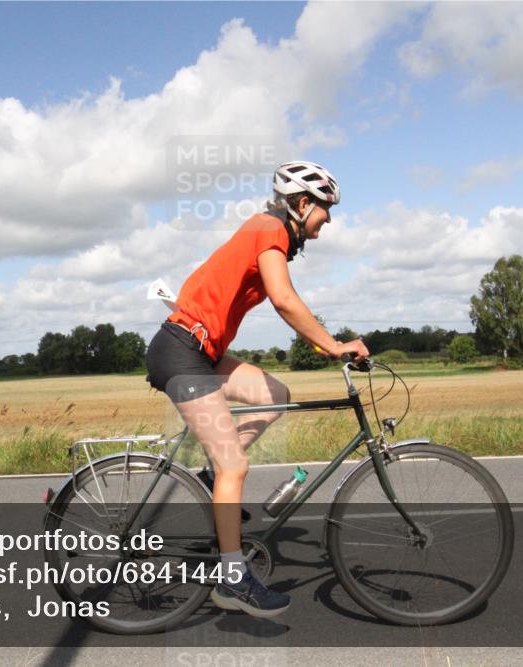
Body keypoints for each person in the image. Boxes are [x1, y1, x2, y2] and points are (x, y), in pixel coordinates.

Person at [145, 161, 369, 618]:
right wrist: (333, 346)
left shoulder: (269, 234)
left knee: (276, 393)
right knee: (236, 464)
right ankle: (232, 580)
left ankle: (210, 481)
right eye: (326, 209)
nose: (329, 219)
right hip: (182, 352)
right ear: (303, 204)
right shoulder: (271, 228)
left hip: (198, 352)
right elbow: (284, 299)